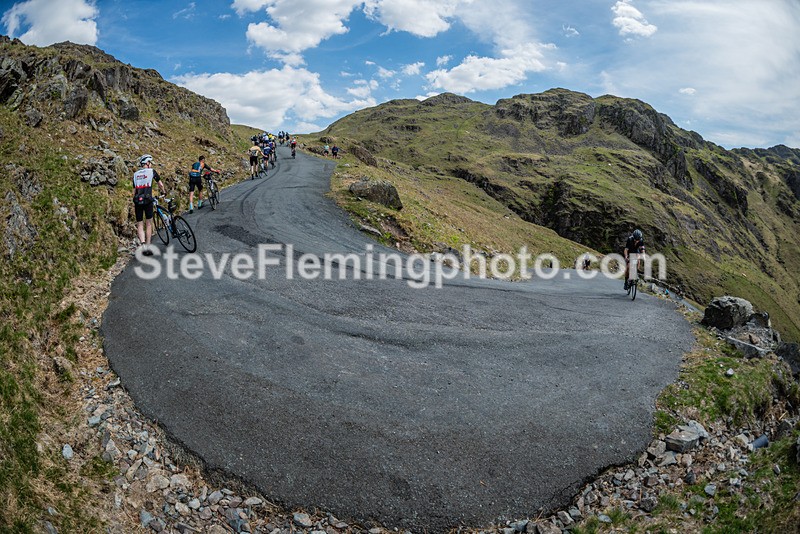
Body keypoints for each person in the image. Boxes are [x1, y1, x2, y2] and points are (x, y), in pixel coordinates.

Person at [133, 154, 166, 256]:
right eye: (150, 162)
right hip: (148, 200)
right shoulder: (151, 171)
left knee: (139, 223)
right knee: (148, 223)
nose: (151, 164)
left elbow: (134, 191)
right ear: (147, 163)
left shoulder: (135, 174)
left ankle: (142, 245)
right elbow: (160, 184)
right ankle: (148, 246)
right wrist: (164, 192)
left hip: (138, 201)